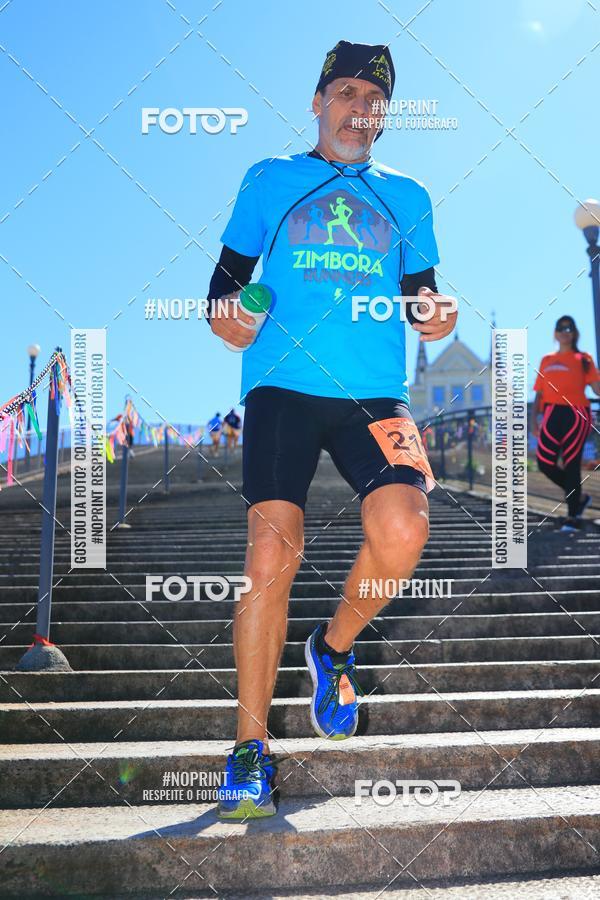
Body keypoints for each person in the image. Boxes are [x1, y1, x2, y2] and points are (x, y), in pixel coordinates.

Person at [207, 39, 457, 819]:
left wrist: (434, 313)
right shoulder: (270, 180)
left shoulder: (408, 195)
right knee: (271, 550)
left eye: (373, 99)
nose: (359, 108)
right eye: (345, 92)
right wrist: (232, 322)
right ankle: (250, 749)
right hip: (281, 385)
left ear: (385, 115)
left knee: (405, 525)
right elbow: (224, 293)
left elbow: (423, 294)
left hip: (373, 396)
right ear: (318, 101)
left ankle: (333, 648)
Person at [531, 315, 600, 532]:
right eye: (561, 327)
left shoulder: (584, 358)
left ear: (574, 333)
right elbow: (539, 394)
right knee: (544, 462)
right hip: (551, 412)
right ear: (555, 333)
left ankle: (573, 517)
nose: (565, 331)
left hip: (577, 412)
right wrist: (533, 419)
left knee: (571, 463)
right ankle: (578, 497)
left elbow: (597, 389)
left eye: (569, 328)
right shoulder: (546, 360)